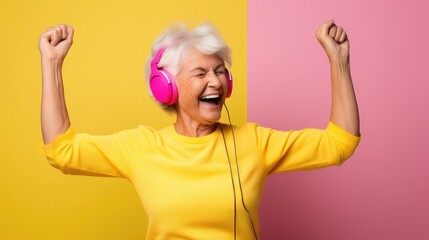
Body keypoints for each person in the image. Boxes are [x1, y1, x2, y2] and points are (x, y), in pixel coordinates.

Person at [39, 20, 360, 239]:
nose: (216, 81)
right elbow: (62, 151)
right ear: (167, 87)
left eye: (220, 71)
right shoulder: (142, 148)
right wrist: (52, 63)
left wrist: (340, 61)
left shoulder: (254, 143)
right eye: (201, 72)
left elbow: (339, 143)